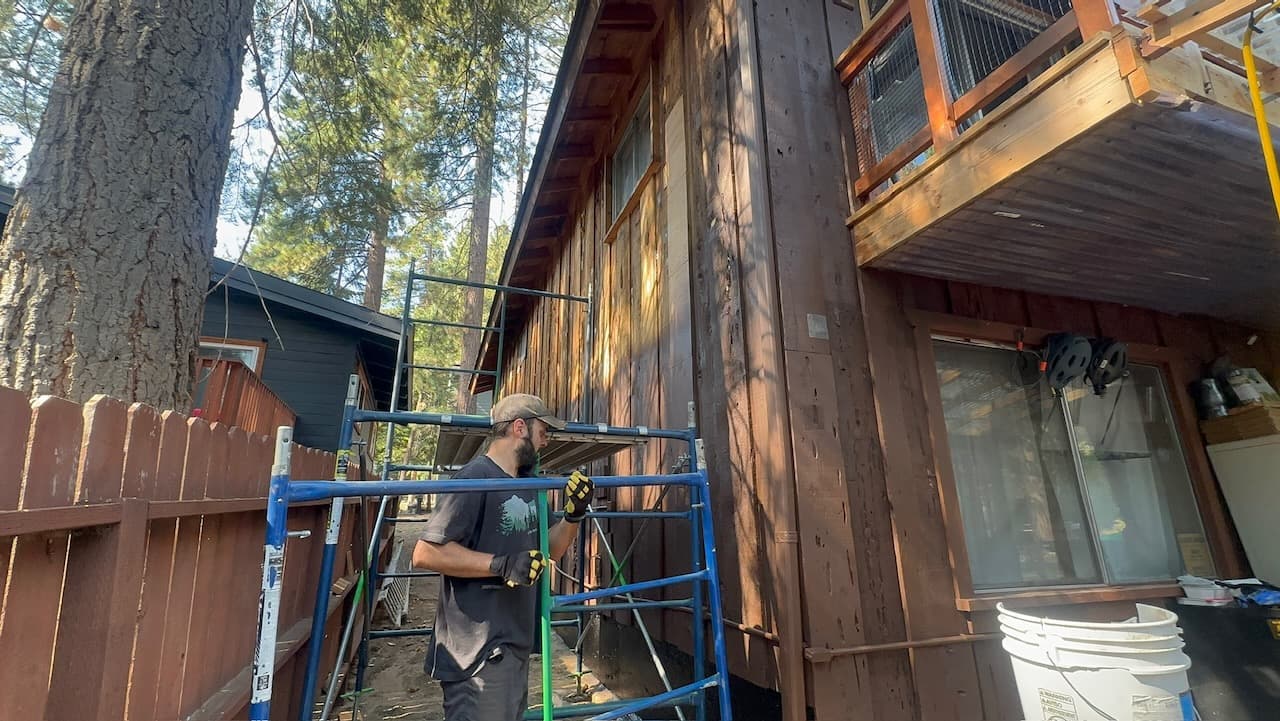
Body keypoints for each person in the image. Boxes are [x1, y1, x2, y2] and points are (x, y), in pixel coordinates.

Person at [412, 393, 594, 721]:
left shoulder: (529, 484)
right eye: (543, 431)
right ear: (519, 427)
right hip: (477, 656)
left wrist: (573, 515)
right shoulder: (475, 477)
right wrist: (500, 564)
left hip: (513, 646)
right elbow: (425, 553)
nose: (546, 441)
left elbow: (553, 548)